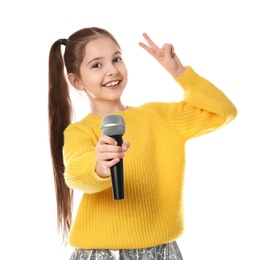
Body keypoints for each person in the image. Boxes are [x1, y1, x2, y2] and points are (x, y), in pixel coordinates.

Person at [48, 27, 237, 259]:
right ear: (76, 81)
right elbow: (76, 174)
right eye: (97, 65)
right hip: (102, 253)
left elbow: (223, 112)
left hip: (161, 251)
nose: (112, 70)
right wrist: (100, 165)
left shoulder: (161, 117)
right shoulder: (80, 131)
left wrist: (181, 74)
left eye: (116, 59)